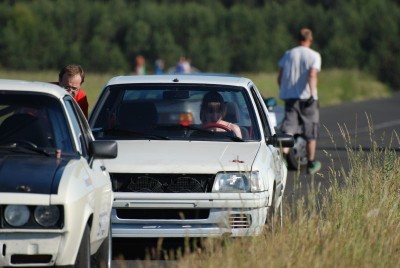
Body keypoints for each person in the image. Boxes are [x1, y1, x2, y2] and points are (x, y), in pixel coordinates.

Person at [277, 28, 321, 175]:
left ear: (298, 39)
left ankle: (282, 161)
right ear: (311, 39)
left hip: (290, 97)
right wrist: (312, 93)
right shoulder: (314, 55)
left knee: (289, 129)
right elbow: (312, 75)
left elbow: (280, 76)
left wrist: (284, 89)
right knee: (310, 130)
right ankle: (311, 163)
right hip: (307, 98)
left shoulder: (288, 54)